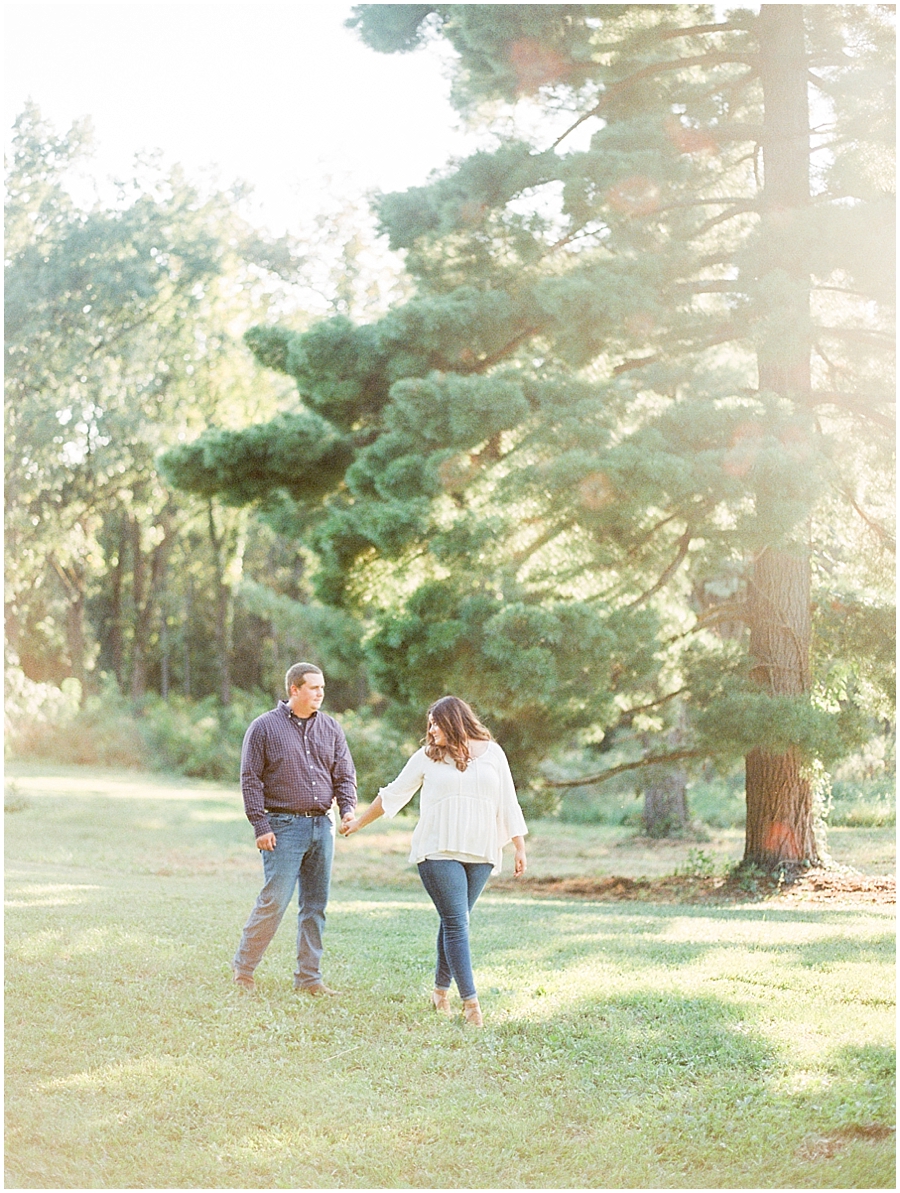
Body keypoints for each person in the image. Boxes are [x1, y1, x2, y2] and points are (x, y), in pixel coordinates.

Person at [340, 695, 527, 1026]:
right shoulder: (427, 757)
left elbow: (508, 800)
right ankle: (471, 1005)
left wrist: (519, 846)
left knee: (455, 921)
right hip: (438, 849)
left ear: (453, 721)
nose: (430, 731)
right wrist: (358, 823)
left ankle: (440, 992)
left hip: (480, 851)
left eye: (435, 724)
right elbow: (393, 793)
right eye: (429, 726)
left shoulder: (493, 753)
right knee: (457, 922)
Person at [232, 663, 357, 995]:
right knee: (274, 901)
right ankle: (244, 969)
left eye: (322, 688)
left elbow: (345, 774)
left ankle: (309, 978)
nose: (320, 693)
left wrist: (347, 810)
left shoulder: (331, 728)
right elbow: (250, 779)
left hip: (322, 825)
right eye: (314, 687)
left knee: (315, 906)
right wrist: (260, 825)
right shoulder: (263, 727)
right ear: (294, 689)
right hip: (283, 826)